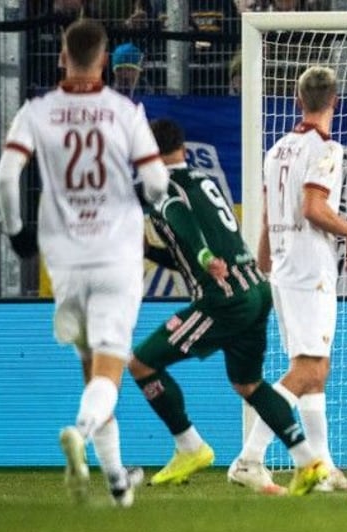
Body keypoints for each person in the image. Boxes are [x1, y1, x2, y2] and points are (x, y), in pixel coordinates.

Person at [0, 19, 170, 507]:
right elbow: (157, 182)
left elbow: (6, 176)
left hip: (66, 261)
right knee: (108, 373)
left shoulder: (36, 111)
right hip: (115, 257)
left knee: (91, 370)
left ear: (62, 57)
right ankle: (81, 430)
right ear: (105, 59)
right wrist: (143, 199)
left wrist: (17, 232)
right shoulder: (124, 112)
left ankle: (116, 481)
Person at [128, 119, 329, 496]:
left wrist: (205, 257)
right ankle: (308, 462)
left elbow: (183, 222)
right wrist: (154, 251)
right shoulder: (203, 181)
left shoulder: (165, 189)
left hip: (223, 298)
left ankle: (190, 446)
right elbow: (189, 250)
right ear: (182, 148)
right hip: (255, 289)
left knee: (141, 364)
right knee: (248, 383)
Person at [228, 65, 347, 494]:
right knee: (309, 369)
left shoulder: (277, 150)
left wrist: (264, 265)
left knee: (314, 372)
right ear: (335, 101)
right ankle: (250, 458)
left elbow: (269, 215)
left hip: (285, 270)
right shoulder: (327, 148)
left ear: (298, 100)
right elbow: (313, 208)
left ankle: (321, 467)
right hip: (309, 270)